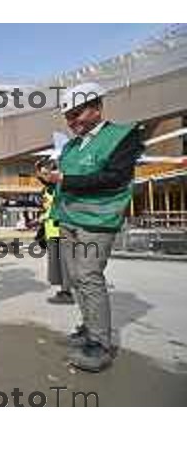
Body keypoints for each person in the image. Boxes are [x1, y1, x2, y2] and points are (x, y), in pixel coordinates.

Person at [38, 82, 143, 372]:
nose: (72, 123)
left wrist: (63, 181)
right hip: (70, 218)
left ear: (96, 108)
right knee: (75, 277)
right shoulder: (72, 146)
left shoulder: (122, 136)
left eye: (76, 115)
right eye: (68, 118)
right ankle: (89, 327)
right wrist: (49, 179)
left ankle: (100, 344)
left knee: (88, 274)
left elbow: (115, 178)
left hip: (98, 221)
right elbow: (66, 177)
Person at [39, 185, 73, 304]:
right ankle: (64, 289)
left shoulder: (62, 188)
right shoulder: (46, 190)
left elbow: (63, 207)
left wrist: (47, 215)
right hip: (51, 231)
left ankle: (67, 292)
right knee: (56, 263)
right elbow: (46, 207)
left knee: (65, 262)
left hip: (61, 230)